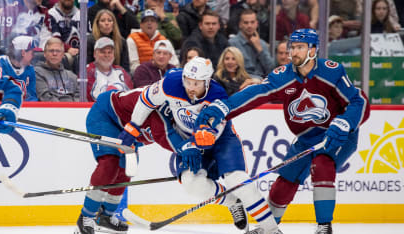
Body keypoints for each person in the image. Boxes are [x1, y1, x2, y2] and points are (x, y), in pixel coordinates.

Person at [194, 29, 371, 234]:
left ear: (313, 50)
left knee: (322, 164)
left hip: (338, 135)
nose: (293, 52)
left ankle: (324, 226)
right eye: (292, 47)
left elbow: (359, 101)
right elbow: (257, 92)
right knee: (287, 177)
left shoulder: (332, 72)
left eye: (299, 47)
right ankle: (267, 228)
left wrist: (345, 123)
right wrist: (225, 107)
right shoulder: (283, 75)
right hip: (307, 138)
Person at [117, 57, 283, 234]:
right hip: (189, 140)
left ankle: (271, 230)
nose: (190, 87)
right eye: (188, 81)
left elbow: (214, 133)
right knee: (191, 184)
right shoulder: (171, 83)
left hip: (221, 140)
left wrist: (195, 144)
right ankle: (232, 202)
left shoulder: (217, 94)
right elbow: (145, 100)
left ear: (207, 81)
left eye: (196, 83)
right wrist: (133, 126)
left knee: (237, 179)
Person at [75, 88, 182, 234]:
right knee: (110, 163)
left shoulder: (178, 117)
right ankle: (86, 217)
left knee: (127, 168)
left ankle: (106, 217)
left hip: (131, 134)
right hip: (107, 116)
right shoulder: (150, 100)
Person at [127, 9, 179, 74]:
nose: (149, 23)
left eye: (152, 20)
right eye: (146, 21)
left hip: (164, 74)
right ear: (141, 25)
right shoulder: (132, 39)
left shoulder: (164, 40)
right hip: (142, 75)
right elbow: (133, 65)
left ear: (157, 25)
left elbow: (174, 63)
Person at [0, 35, 39, 101]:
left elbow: (32, 98)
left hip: (23, 109)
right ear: (23, 52)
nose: (34, 56)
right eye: (32, 53)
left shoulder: (30, 69)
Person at [229, 9, 274, 79]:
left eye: (252, 22)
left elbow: (271, 69)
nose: (249, 26)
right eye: (246, 23)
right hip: (243, 82)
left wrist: (260, 50)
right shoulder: (232, 43)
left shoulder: (262, 44)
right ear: (240, 25)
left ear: (257, 24)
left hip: (263, 83)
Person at [86, 37, 133, 102]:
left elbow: (130, 95)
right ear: (94, 54)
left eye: (109, 52)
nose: (106, 55)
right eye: (103, 52)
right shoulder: (88, 72)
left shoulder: (121, 71)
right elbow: (89, 98)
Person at [34, 37, 79, 101]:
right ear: (44, 54)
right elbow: (45, 97)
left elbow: (80, 98)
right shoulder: (37, 73)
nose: (54, 54)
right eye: (51, 51)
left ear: (63, 54)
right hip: (51, 110)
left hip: (74, 109)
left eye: (58, 51)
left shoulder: (72, 76)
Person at [87, 9, 130, 73]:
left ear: (114, 23)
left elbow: (125, 68)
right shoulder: (89, 41)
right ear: (97, 23)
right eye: (102, 21)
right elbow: (87, 66)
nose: (106, 23)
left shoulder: (121, 41)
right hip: (95, 75)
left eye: (110, 20)